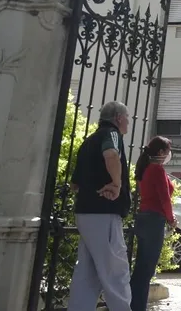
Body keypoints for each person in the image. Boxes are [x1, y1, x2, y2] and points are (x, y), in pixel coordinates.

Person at [67, 101, 133, 311]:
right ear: (119, 118)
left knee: (87, 273)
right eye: (128, 118)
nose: (129, 123)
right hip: (104, 213)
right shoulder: (111, 134)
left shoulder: (88, 141)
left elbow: (75, 183)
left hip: (85, 212)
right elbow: (111, 155)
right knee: (116, 271)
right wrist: (116, 184)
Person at [130, 136, 176, 311]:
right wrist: (171, 219)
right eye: (167, 151)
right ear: (161, 152)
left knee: (141, 268)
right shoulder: (156, 170)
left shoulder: (147, 168)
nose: (169, 154)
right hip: (153, 220)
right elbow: (164, 198)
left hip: (144, 218)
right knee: (146, 270)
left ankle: (133, 305)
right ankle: (137, 307)